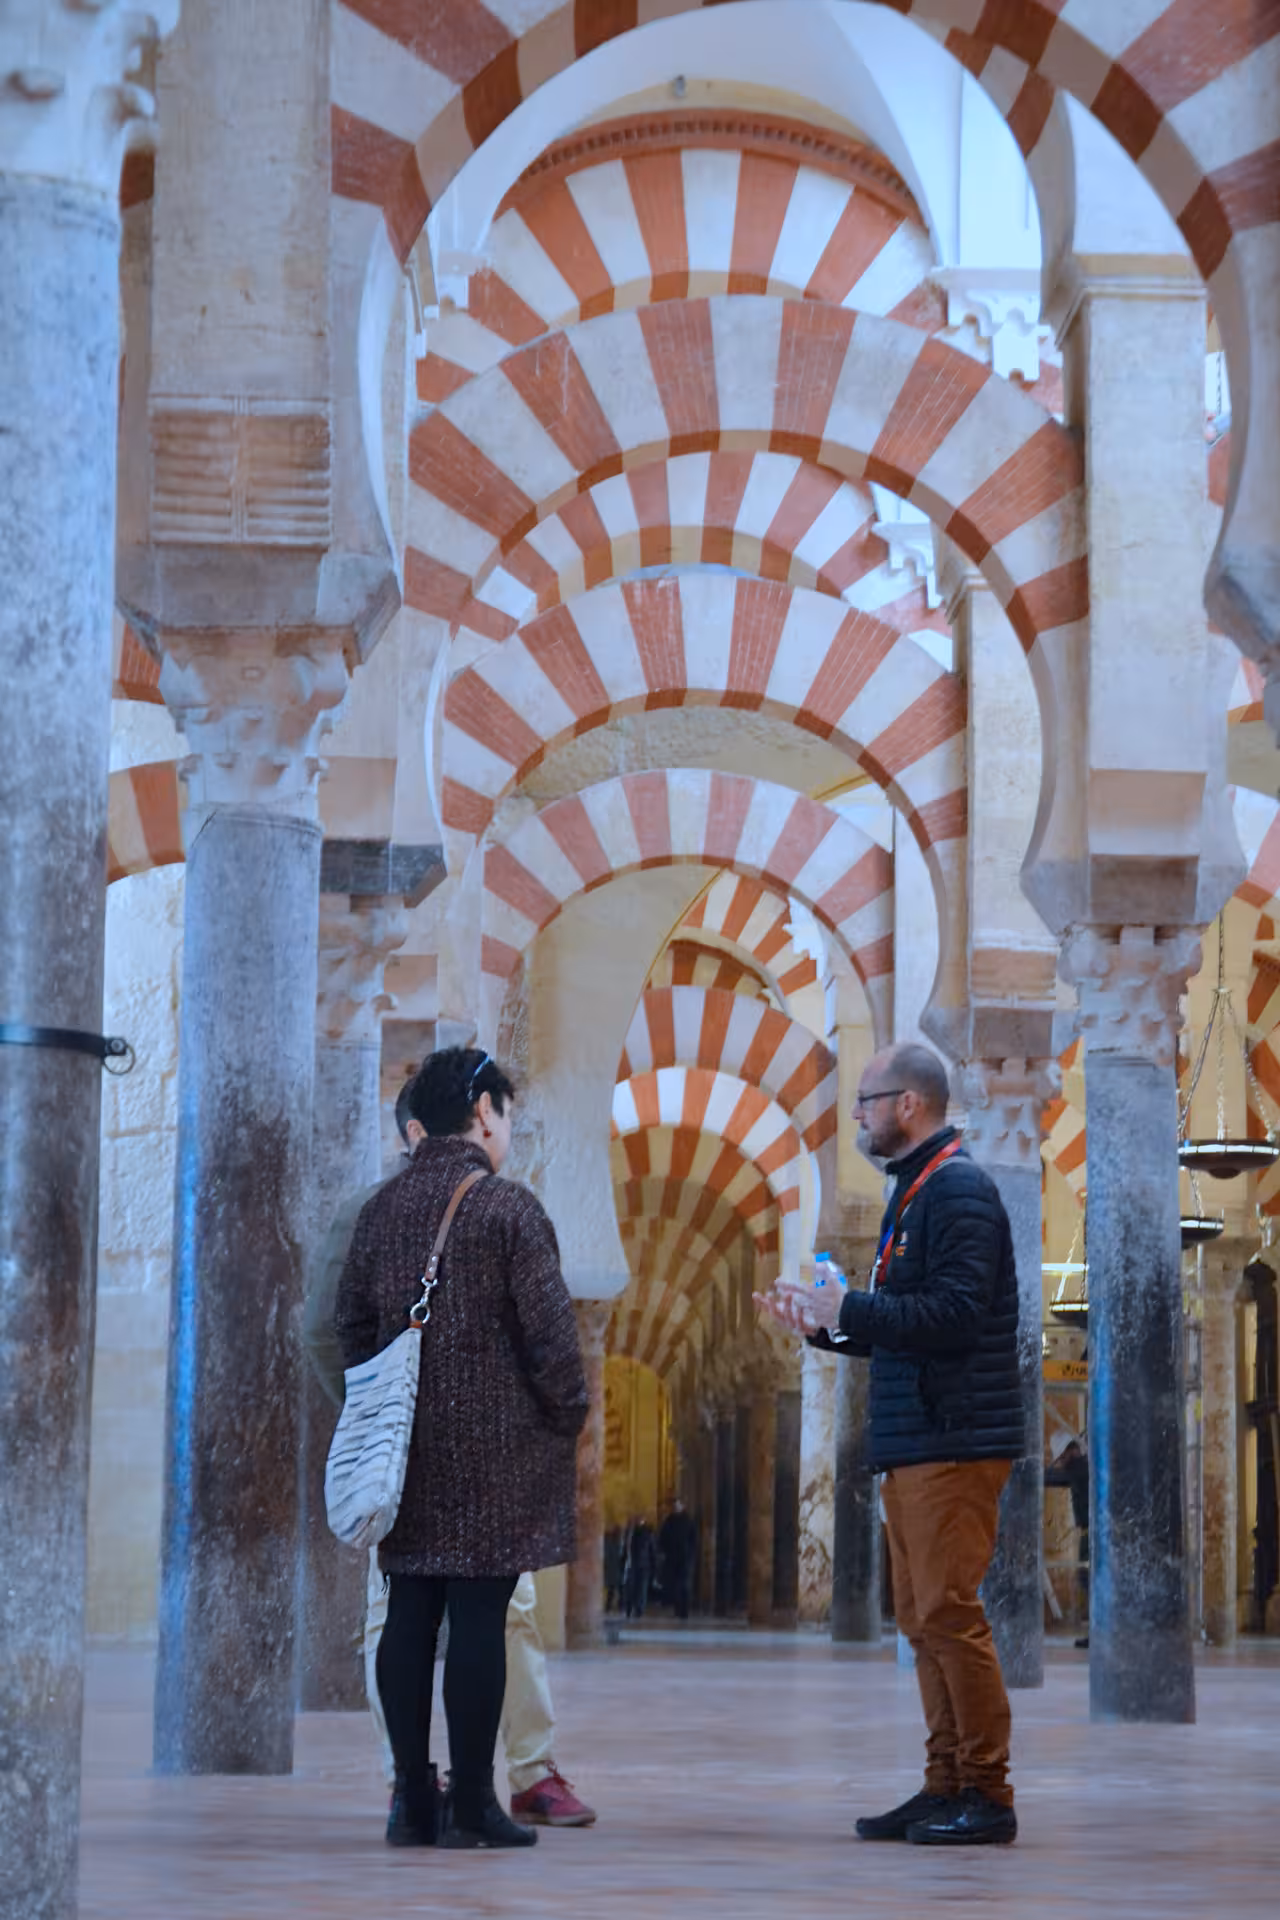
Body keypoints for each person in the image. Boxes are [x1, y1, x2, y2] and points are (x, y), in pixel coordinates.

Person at [305, 1078, 597, 1834]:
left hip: (408, 1455)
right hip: (496, 1459)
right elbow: (553, 1341)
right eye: (504, 1113)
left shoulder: (382, 1209)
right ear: (479, 1115)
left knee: (407, 1615)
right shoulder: (507, 1208)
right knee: (478, 1621)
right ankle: (472, 1801)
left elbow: (346, 1325)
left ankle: (410, 1801)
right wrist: (565, 1416)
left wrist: (387, 1413)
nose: (507, 1128)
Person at [756, 1042, 1022, 1848]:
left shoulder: (960, 1191)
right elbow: (905, 1329)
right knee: (922, 1619)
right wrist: (828, 1325)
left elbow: (955, 1317)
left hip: (954, 1437)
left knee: (950, 1614)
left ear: (910, 1104)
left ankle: (988, 1790)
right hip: (917, 1440)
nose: (862, 1115)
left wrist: (855, 1309)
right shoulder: (918, 1194)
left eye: (868, 1100)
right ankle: (945, 1782)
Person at [1045, 1434, 1090, 1649]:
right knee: (1088, 1582)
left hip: (1091, 1536)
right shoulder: (1083, 1466)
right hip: (1089, 1534)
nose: (1061, 1462)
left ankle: (1097, 1633)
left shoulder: (1079, 1468)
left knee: (1089, 1583)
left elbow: (1053, 1477)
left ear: (1070, 1452)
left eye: (1062, 1457)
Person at [658, 1499, 697, 1620]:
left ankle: (684, 1610)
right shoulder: (668, 1521)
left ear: (682, 1506)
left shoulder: (689, 1521)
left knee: (684, 1584)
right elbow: (662, 1538)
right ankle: (677, 1608)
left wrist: (691, 1554)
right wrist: (663, 1552)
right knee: (674, 1585)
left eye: (677, 1506)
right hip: (671, 1558)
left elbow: (693, 1540)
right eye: (674, 1506)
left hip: (685, 1558)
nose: (675, 1508)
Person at [622, 1516, 656, 1619]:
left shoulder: (646, 1533)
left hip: (642, 1564)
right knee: (632, 1587)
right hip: (634, 1564)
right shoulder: (630, 1532)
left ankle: (638, 1609)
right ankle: (632, 1608)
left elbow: (652, 1550)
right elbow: (625, 1549)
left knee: (640, 1588)